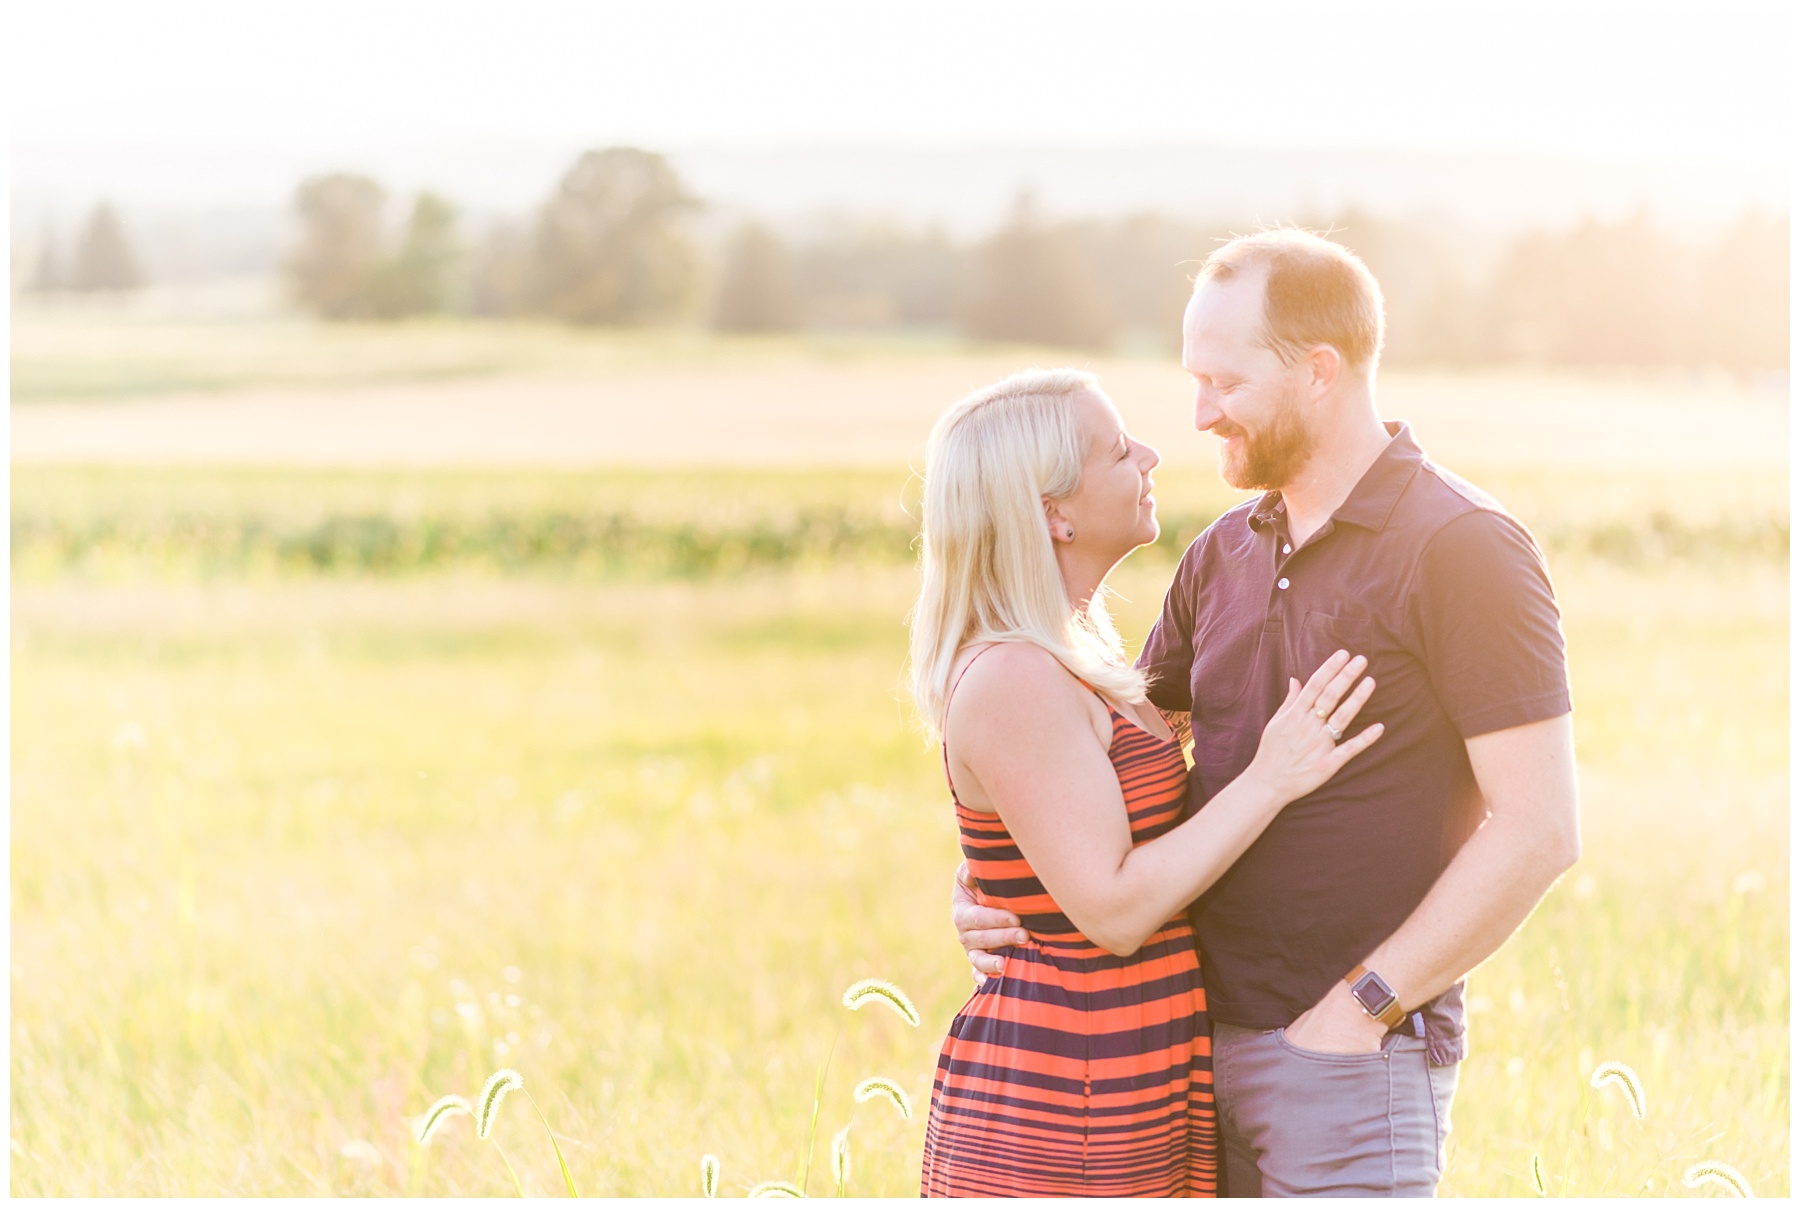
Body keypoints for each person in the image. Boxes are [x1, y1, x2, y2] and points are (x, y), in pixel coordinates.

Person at [954, 230, 1581, 1197]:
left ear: (1319, 372)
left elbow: (1539, 829)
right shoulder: (1222, 554)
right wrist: (994, 879)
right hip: (1178, 1063)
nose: (1200, 416)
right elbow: (1105, 751)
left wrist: (1363, 1008)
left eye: (1226, 384)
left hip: (1343, 1062)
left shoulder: (1464, 549)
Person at [909, 367, 1385, 1197]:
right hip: (1065, 1103)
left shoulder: (1078, 656)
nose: (1152, 456)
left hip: (1126, 1081)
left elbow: (1066, 844)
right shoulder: (1015, 678)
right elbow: (1116, 910)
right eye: (1117, 450)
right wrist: (1271, 778)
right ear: (1052, 512)